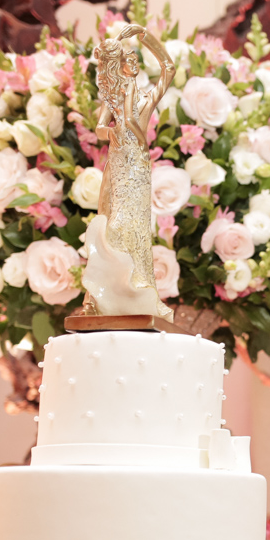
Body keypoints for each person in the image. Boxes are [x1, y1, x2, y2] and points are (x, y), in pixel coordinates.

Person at [83, 24, 174, 319]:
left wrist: (144, 35)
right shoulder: (115, 100)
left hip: (139, 162)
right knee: (117, 219)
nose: (134, 64)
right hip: (121, 157)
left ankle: (140, 288)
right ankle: (110, 291)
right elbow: (99, 126)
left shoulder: (147, 99)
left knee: (138, 225)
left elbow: (169, 67)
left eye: (136, 60)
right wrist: (110, 131)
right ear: (120, 67)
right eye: (129, 61)